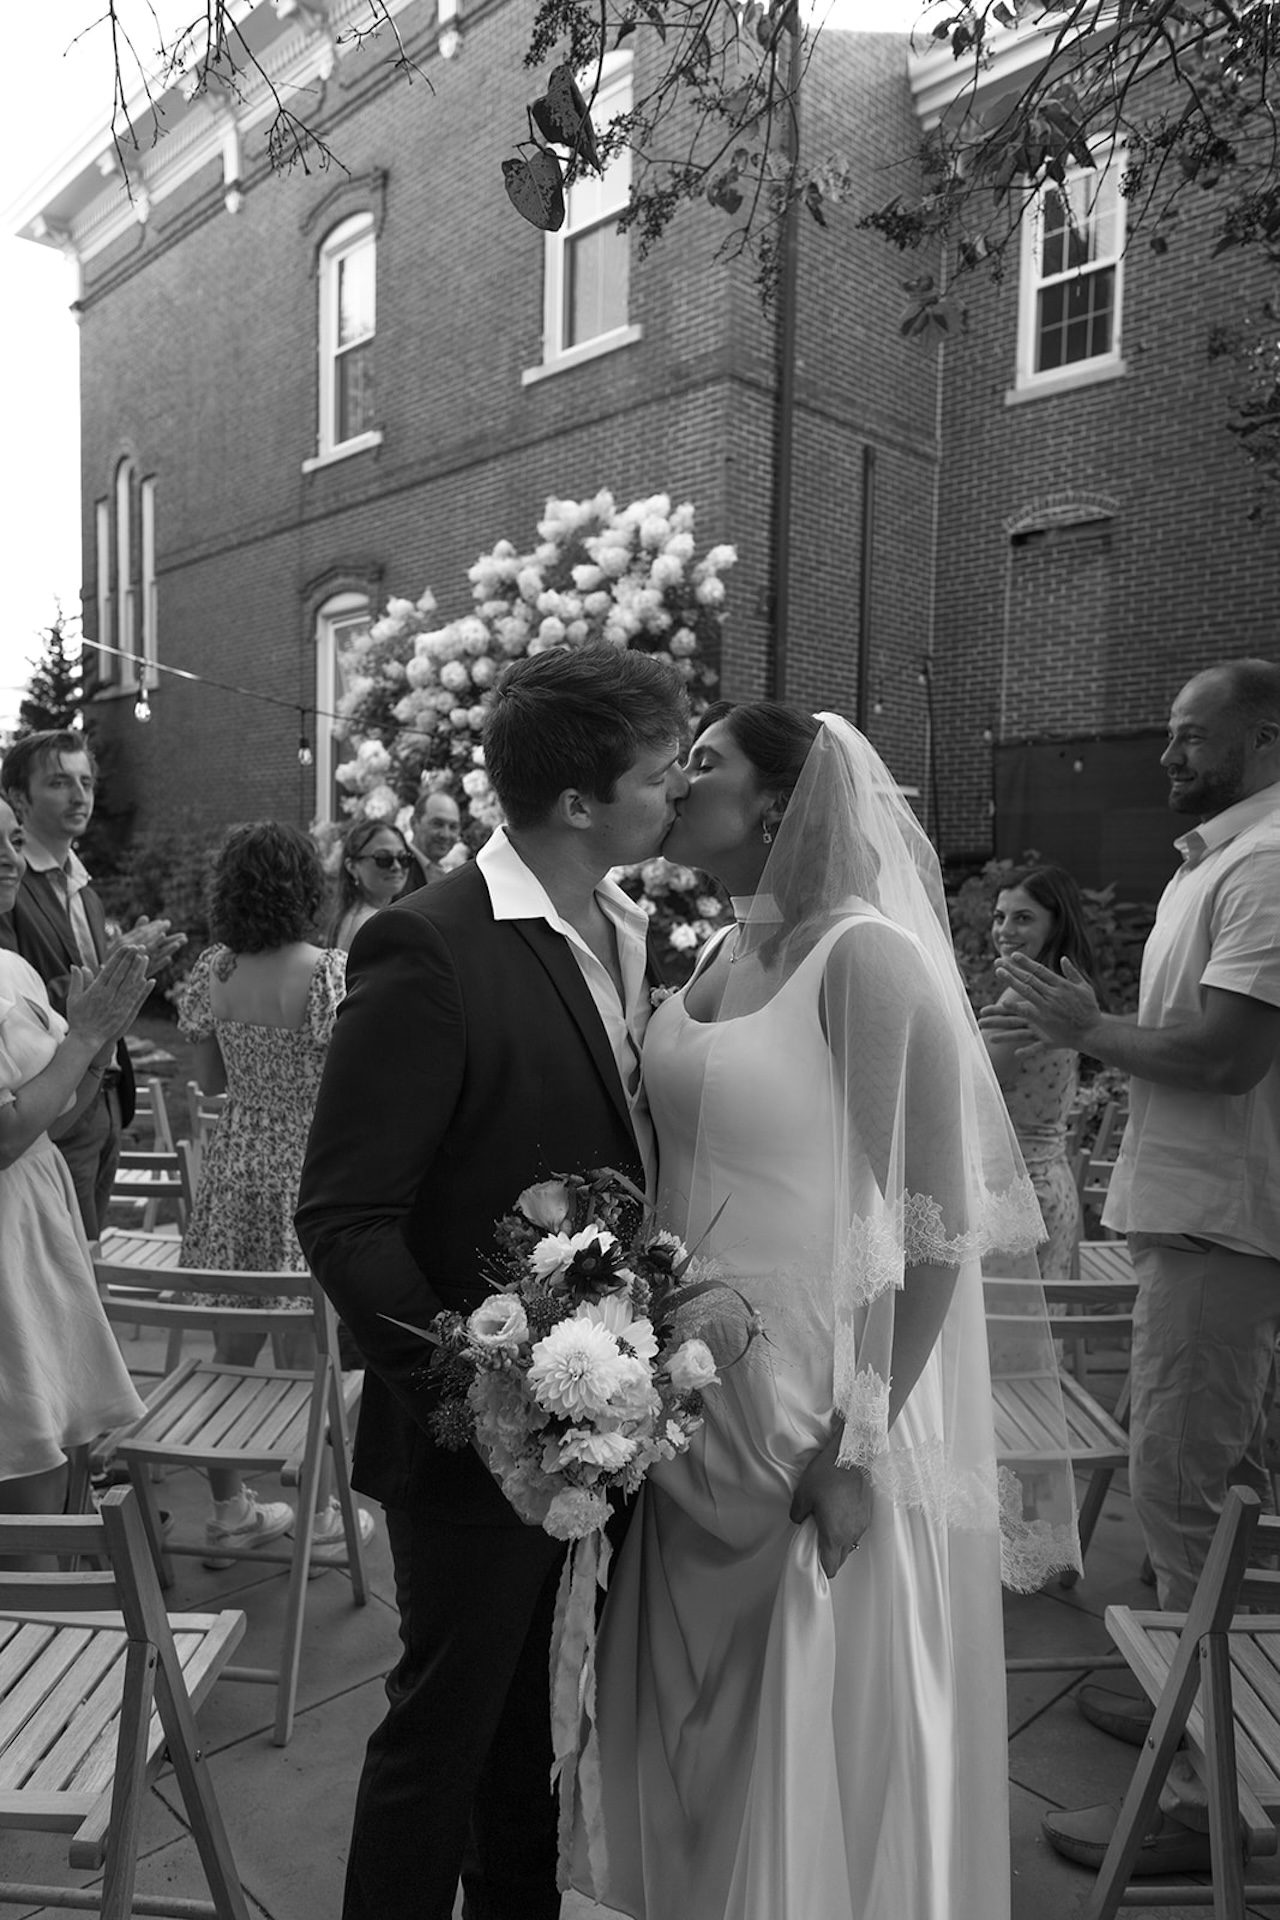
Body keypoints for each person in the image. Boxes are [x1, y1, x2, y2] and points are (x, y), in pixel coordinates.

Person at [568, 701, 1076, 1920]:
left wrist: (858, 1449)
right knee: (683, 1705)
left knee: (786, 1687)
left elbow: (938, 1231)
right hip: (683, 1393)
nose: (680, 783)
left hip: (811, 1398)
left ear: (782, 805)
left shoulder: (867, 959)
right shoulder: (710, 955)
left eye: (708, 764)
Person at [295, 643, 690, 1920]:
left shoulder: (633, 931)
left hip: (608, 1418)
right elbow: (345, 1216)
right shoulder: (431, 943)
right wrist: (487, 1390)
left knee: (540, 1730)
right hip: (475, 1441)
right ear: (577, 802)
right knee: (443, 1740)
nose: (676, 790)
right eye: (655, 772)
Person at [987, 658, 1280, 1876]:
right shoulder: (1214, 860)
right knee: (1225, 1490)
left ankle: (1203, 1807)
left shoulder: (1263, 866)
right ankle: (1182, 1701)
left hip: (1218, 1229)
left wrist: (1081, 1030)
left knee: (1171, 1485)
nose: (1163, 755)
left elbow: (1221, 1056)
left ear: (1260, 737)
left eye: (1185, 737)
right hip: (1194, 1217)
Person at [177, 821, 372, 1569]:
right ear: (302, 887)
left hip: (234, 1168)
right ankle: (319, 1511)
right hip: (306, 1168)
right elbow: (347, 1088)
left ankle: (229, 1511)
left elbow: (214, 1081)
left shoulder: (215, 971)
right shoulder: (327, 972)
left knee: (227, 1346)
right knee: (308, 1352)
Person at [0, 791, 152, 1552]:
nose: (7, 855)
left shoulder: (13, 970)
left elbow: (54, 1115)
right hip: (3, 1247)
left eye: (10, 837)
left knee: (63, 1460)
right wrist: (87, 1032)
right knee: (22, 1471)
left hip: (38, 1232)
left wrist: (98, 1040)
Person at [0, 730, 183, 1239]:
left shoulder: (83, 885)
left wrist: (127, 968)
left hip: (102, 1093)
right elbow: (15, 1003)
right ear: (18, 796)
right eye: (59, 782)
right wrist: (105, 986)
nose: (79, 795)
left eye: (86, 781)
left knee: (90, 1252)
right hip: (44, 1102)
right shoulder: (11, 884)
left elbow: (87, 986)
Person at [982, 863, 1099, 1278]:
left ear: (1056, 924)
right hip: (1049, 1184)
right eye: (1000, 917)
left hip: (1018, 1194)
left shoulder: (1024, 998)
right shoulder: (1059, 991)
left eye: (1023, 917)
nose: (1005, 930)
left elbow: (969, 1092)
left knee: (1005, 1339)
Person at [326, 819, 415, 951]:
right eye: (383, 859)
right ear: (352, 867)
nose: (396, 867)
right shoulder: (378, 924)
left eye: (403, 858)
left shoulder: (349, 916)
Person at [407, 788, 466, 887]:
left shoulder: (438, 872)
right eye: (437, 824)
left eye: (453, 827)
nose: (445, 835)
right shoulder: (399, 869)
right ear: (414, 823)